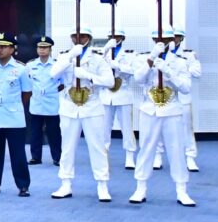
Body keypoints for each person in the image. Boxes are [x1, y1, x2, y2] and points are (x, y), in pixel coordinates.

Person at [129, 28, 196, 207]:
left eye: (166, 39)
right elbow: (138, 78)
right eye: (159, 39)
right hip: (149, 109)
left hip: (172, 110)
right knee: (145, 149)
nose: (163, 42)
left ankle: (182, 190)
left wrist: (168, 71)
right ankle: (140, 188)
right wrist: (151, 59)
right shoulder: (144, 58)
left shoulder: (180, 61)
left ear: (172, 40)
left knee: (176, 150)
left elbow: (186, 87)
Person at [49, 28, 115, 202]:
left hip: (91, 106)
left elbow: (110, 81)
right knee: (67, 148)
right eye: (75, 36)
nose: (79, 38)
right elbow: (53, 74)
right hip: (69, 107)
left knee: (97, 147)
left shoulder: (97, 58)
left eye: (83, 36)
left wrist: (88, 76)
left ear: (89, 38)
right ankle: (65, 183)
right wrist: (70, 56)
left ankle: (102, 184)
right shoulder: (65, 56)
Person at [0, 32, 32, 197]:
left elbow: (27, 93)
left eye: (3, 47)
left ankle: (23, 185)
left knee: (18, 154)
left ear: (12, 49)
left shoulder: (21, 69)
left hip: (14, 118)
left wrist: (13, 105)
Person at [100, 30, 137, 169]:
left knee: (127, 128)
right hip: (106, 94)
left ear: (122, 37)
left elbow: (134, 70)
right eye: (111, 36)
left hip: (123, 93)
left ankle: (130, 156)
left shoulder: (130, 54)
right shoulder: (104, 52)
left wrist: (118, 65)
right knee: (104, 129)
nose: (114, 38)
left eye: (117, 36)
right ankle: (104, 155)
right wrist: (105, 49)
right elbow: (95, 65)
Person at [26, 36, 62, 166]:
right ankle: (35, 157)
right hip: (36, 103)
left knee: (54, 133)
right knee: (35, 132)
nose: (42, 50)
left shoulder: (57, 65)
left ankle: (57, 157)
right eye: (40, 47)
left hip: (52, 104)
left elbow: (62, 84)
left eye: (45, 47)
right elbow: (27, 83)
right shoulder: (30, 65)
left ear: (50, 49)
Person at [170, 28, 201, 172]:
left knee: (187, 128)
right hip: (166, 96)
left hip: (182, 96)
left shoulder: (188, 55)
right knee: (159, 127)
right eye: (172, 36)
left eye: (177, 36)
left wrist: (181, 70)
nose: (174, 39)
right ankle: (158, 156)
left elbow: (197, 72)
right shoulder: (162, 53)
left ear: (181, 38)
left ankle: (190, 157)